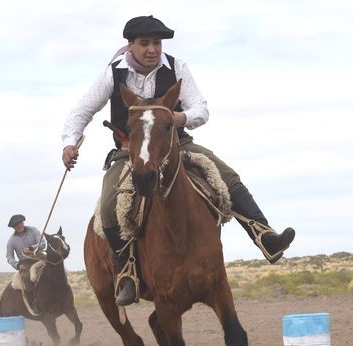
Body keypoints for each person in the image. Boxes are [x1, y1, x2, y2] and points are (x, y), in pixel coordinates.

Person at [61, 15, 296, 305]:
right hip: (131, 153)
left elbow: (201, 108)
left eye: (156, 43)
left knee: (227, 176)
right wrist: (69, 143)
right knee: (110, 205)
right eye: (145, 43)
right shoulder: (113, 74)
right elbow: (81, 111)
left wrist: (179, 117)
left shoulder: (177, 67)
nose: (152, 49)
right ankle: (127, 274)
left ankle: (265, 237)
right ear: (130, 45)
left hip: (177, 145)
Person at [5, 214, 46, 312]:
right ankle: (34, 303)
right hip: (26, 263)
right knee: (28, 278)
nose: (18, 226)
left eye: (20, 223)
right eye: (16, 225)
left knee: (56, 268)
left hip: (40, 258)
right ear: (13, 227)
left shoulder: (33, 230)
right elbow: (9, 257)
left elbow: (43, 244)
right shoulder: (11, 241)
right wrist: (18, 265)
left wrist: (32, 248)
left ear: (23, 222)